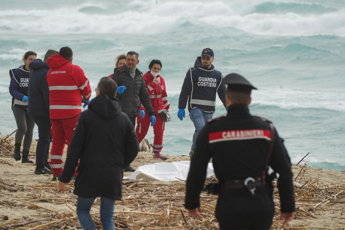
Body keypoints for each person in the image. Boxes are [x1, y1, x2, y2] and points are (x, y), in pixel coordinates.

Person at [184, 73, 295, 230]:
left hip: (229, 206)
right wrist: (288, 205)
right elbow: (284, 169)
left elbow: (197, 169)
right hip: (261, 205)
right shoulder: (267, 129)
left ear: (227, 100)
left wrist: (192, 201)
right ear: (249, 101)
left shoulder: (211, 130)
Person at [59, 77, 138, 230]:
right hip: (113, 173)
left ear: (99, 92)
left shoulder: (86, 116)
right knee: (107, 217)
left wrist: (65, 177)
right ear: (115, 95)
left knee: (83, 210)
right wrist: (120, 163)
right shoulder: (124, 119)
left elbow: (75, 148)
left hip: (90, 171)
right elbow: (134, 147)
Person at [46, 46, 92, 181]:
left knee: (57, 141)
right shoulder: (74, 68)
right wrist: (86, 97)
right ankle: (74, 171)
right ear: (71, 58)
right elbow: (86, 89)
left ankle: (56, 171)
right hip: (71, 112)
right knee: (74, 143)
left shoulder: (50, 71)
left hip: (54, 112)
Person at [177, 48, 226, 159]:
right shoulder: (192, 72)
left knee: (207, 132)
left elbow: (222, 92)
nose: (205, 60)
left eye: (207, 58)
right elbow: (185, 90)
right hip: (195, 107)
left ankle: (204, 151)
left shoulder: (218, 75)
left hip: (209, 109)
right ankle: (194, 151)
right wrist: (181, 107)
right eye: (203, 58)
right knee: (200, 128)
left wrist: (228, 105)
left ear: (212, 59)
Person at [111, 51, 155, 172]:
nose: (130, 62)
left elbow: (144, 97)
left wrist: (151, 113)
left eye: (132, 60)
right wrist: (116, 91)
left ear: (137, 62)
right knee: (119, 140)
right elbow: (108, 93)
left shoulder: (139, 77)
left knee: (130, 141)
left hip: (132, 114)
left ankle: (125, 165)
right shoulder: (118, 74)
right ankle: (117, 164)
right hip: (119, 113)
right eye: (128, 59)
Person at [28, 49, 58, 175]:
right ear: (50, 59)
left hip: (34, 108)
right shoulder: (46, 73)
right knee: (45, 138)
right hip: (41, 110)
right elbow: (47, 96)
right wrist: (52, 112)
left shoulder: (36, 68)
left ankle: (44, 162)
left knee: (46, 137)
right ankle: (39, 166)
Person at [135, 60, 170, 160]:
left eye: (158, 69)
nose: (156, 70)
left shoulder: (161, 80)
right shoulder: (143, 79)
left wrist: (167, 108)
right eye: (155, 68)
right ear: (150, 68)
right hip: (145, 109)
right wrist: (154, 84)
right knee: (142, 132)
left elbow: (163, 95)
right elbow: (143, 95)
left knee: (159, 132)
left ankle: (157, 153)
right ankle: (131, 149)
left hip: (159, 110)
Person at [9, 51, 37, 163]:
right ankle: (16, 149)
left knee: (30, 130)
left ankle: (25, 157)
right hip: (18, 105)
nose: (32, 61)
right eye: (30, 59)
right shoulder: (17, 73)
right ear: (24, 60)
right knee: (22, 128)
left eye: (34, 59)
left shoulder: (37, 73)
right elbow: (12, 90)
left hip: (32, 106)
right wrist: (22, 97)